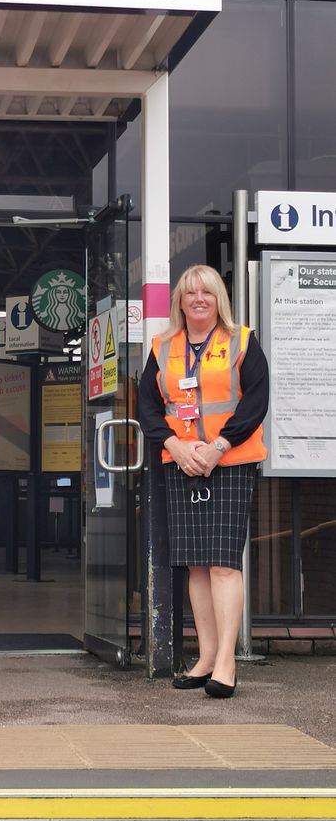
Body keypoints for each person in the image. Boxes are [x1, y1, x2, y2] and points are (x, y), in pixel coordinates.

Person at [138, 265, 268, 699]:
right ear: (179, 301)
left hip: (228, 462)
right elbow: (149, 408)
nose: (198, 299)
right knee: (195, 564)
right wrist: (175, 446)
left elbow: (256, 401)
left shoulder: (242, 342)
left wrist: (218, 447)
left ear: (219, 300)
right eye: (190, 293)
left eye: (206, 293)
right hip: (182, 463)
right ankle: (206, 657)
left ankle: (227, 662)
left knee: (223, 564)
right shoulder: (162, 347)